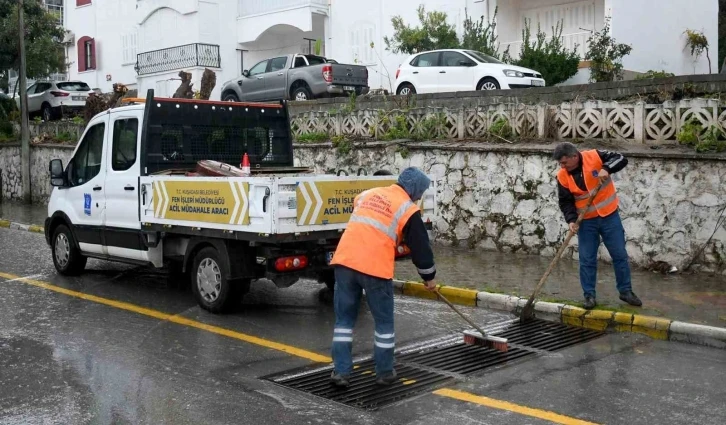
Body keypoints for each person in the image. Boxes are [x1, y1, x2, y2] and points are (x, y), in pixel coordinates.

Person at [328, 167, 437, 388]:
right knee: (384, 323)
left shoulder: (368, 194)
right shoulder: (408, 209)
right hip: (374, 268)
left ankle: (341, 372)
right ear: (413, 188)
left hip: (345, 261)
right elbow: (421, 248)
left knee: (344, 322)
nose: (419, 196)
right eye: (420, 191)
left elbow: (367, 224)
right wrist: (429, 278)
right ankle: (385, 372)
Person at [553, 142, 642, 310]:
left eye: (564, 162)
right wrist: (571, 220)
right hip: (585, 221)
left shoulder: (594, 156)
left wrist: (607, 168)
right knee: (587, 259)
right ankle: (589, 296)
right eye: (560, 163)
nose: (562, 166)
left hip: (609, 216)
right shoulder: (563, 176)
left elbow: (621, 158)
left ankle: (625, 291)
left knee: (620, 255)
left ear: (574, 156)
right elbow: (565, 202)